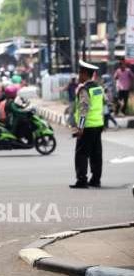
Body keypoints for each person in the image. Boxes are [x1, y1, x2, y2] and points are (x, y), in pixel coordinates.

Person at [70, 60, 105, 189]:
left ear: (85, 74)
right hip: (98, 124)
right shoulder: (98, 88)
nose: (79, 75)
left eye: (80, 73)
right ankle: (96, 180)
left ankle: (82, 180)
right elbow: (104, 104)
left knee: (81, 154)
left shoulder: (84, 89)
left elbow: (84, 109)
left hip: (88, 125)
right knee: (96, 153)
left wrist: (80, 127)